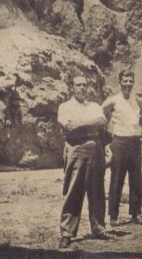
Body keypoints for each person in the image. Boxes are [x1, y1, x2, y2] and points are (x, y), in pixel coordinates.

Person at [57, 75, 109, 249]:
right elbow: (68, 128)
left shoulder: (94, 106)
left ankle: (99, 228)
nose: (82, 88)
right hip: (76, 148)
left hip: (95, 148)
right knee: (73, 190)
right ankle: (67, 233)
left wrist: (80, 124)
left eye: (84, 85)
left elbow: (101, 122)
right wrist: (89, 124)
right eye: (78, 85)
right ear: (72, 87)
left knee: (97, 190)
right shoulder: (64, 107)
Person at [101, 70, 142, 227]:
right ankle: (113, 216)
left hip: (135, 144)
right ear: (120, 82)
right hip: (119, 142)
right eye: (125, 81)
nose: (128, 84)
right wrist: (106, 135)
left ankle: (136, 213)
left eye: (130, 81)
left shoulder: (137, 101)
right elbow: (101, 113)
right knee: (117, 179)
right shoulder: (113, 100)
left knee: (136, 180)